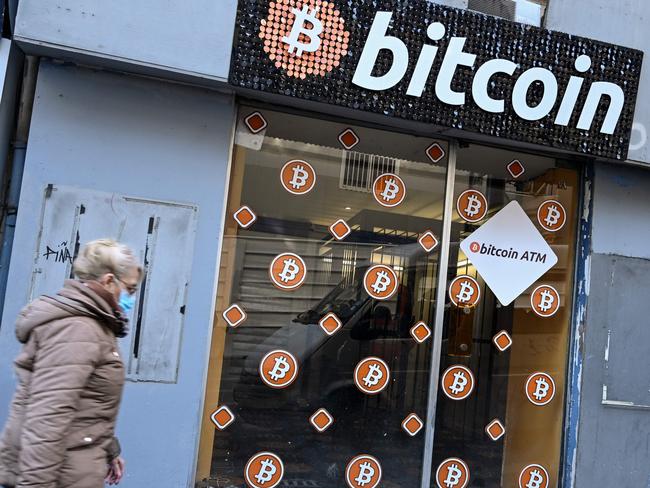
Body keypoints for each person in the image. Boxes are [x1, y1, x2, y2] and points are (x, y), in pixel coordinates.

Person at [0, 239, 143, 488]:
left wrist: (109, 449)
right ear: (109, 281)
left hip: (74, 468)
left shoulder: (95, 325)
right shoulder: (78, 329)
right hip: (60, 475)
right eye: (130, 289)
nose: (131, 298)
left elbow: (85, 402)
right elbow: (47, 417)